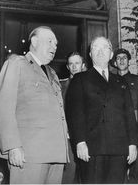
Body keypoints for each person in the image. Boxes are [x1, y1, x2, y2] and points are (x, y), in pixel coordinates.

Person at [0, 26, 69, 184]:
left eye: (56, 44)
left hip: (56, 153)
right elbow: (2, 108)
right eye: (50, 41)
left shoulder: (53, 73)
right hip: (29, 154)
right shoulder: (16, 63)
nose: (54, 46)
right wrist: (12, 146)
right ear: (34, 41)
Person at [65, 36, 138, 184]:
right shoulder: (80, 79)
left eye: (105, 47)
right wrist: (80, 142)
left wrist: (132, 144)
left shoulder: (120, 81)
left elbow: (129, 114)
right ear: (90, 55)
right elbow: (75, 113)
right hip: (92, 148)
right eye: (95, 48)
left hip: (119, 148)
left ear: (111, 55)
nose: (100, 51)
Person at [111, 48, 138, 183]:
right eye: (119, 58)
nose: (122, 60)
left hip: (136, 130)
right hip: (117, 129)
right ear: (114, 62)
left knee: (136, 167)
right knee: (118, 168)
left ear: (129, 61)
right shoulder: (110, 81)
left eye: (125, 57)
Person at [60, 52, 86, 184]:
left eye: (77, 63)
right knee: (68, 176)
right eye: (71, 64)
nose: (74, 66)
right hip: (67, 138)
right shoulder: (60, 86)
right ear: (67, 67)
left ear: (83, 65)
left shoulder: (91, 84)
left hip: (87, 138)